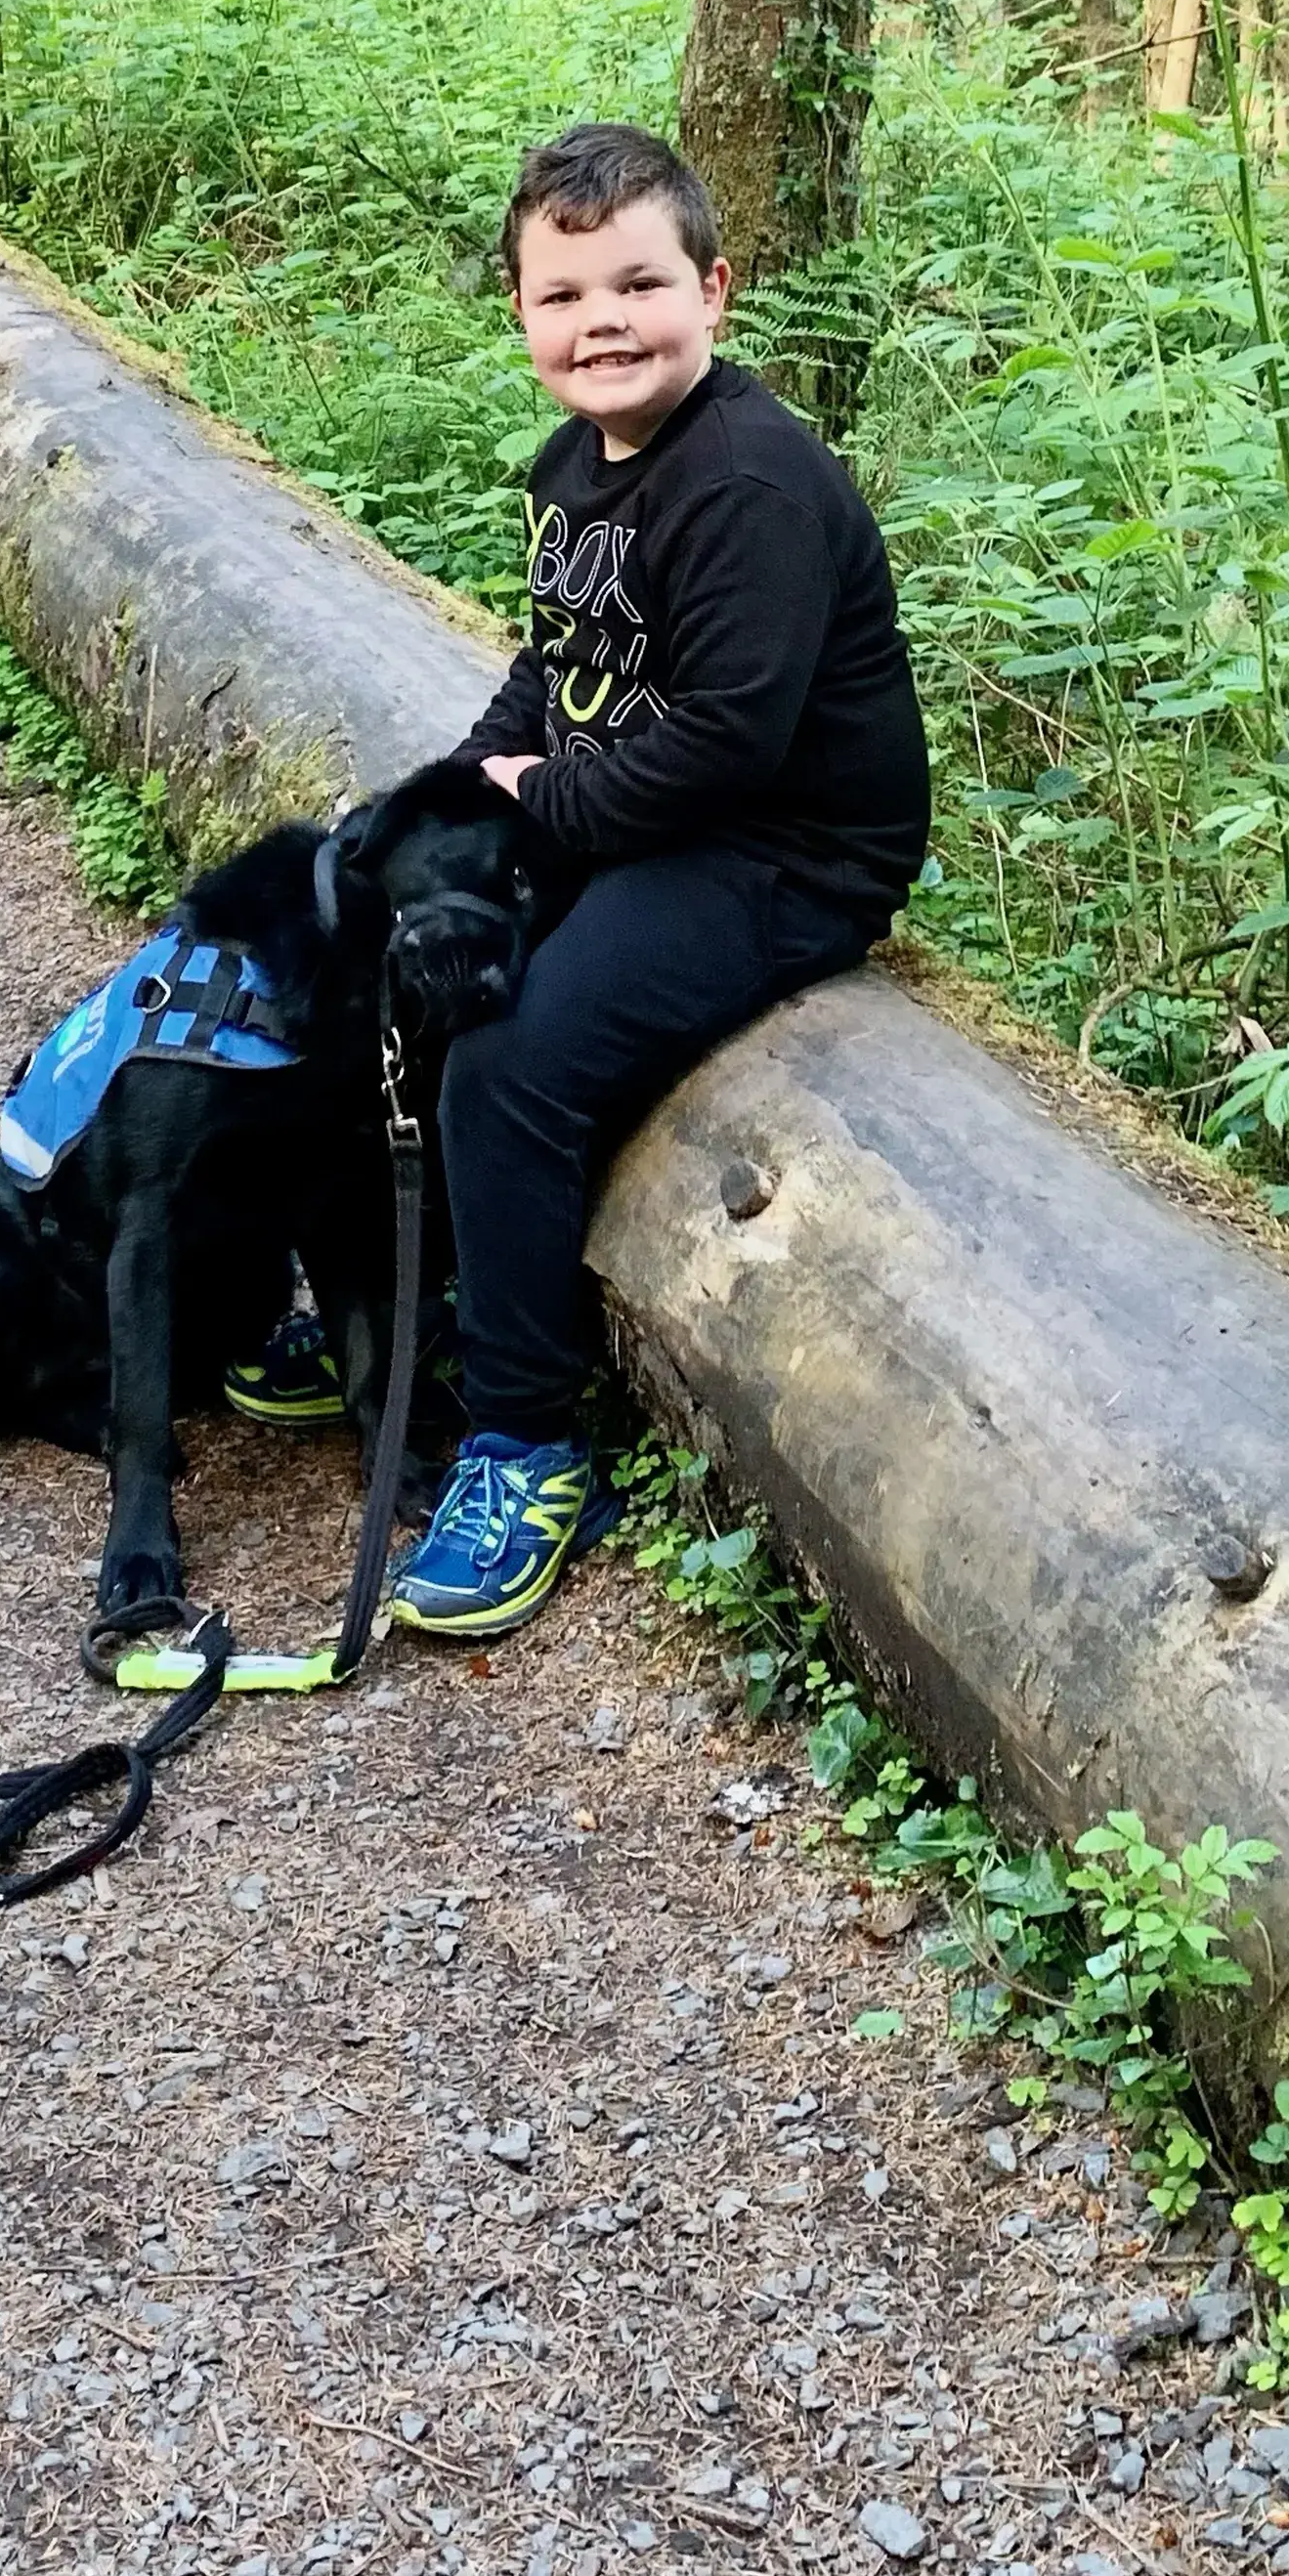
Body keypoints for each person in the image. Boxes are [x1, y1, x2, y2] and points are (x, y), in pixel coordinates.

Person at [313, 115, 930, 1637]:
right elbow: (559, 661)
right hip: (633, 810)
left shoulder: (752, 487)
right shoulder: (573, 463)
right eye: (566, 296)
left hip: (778, 854)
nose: (605, 324)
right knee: (406, 956)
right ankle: (407, 1300)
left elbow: (727, 746)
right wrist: (461, 796)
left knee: (515, 1062)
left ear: (714, 293)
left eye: (639, 287)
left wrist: (555, 805)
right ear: (522, 316)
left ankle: (526, 1441)